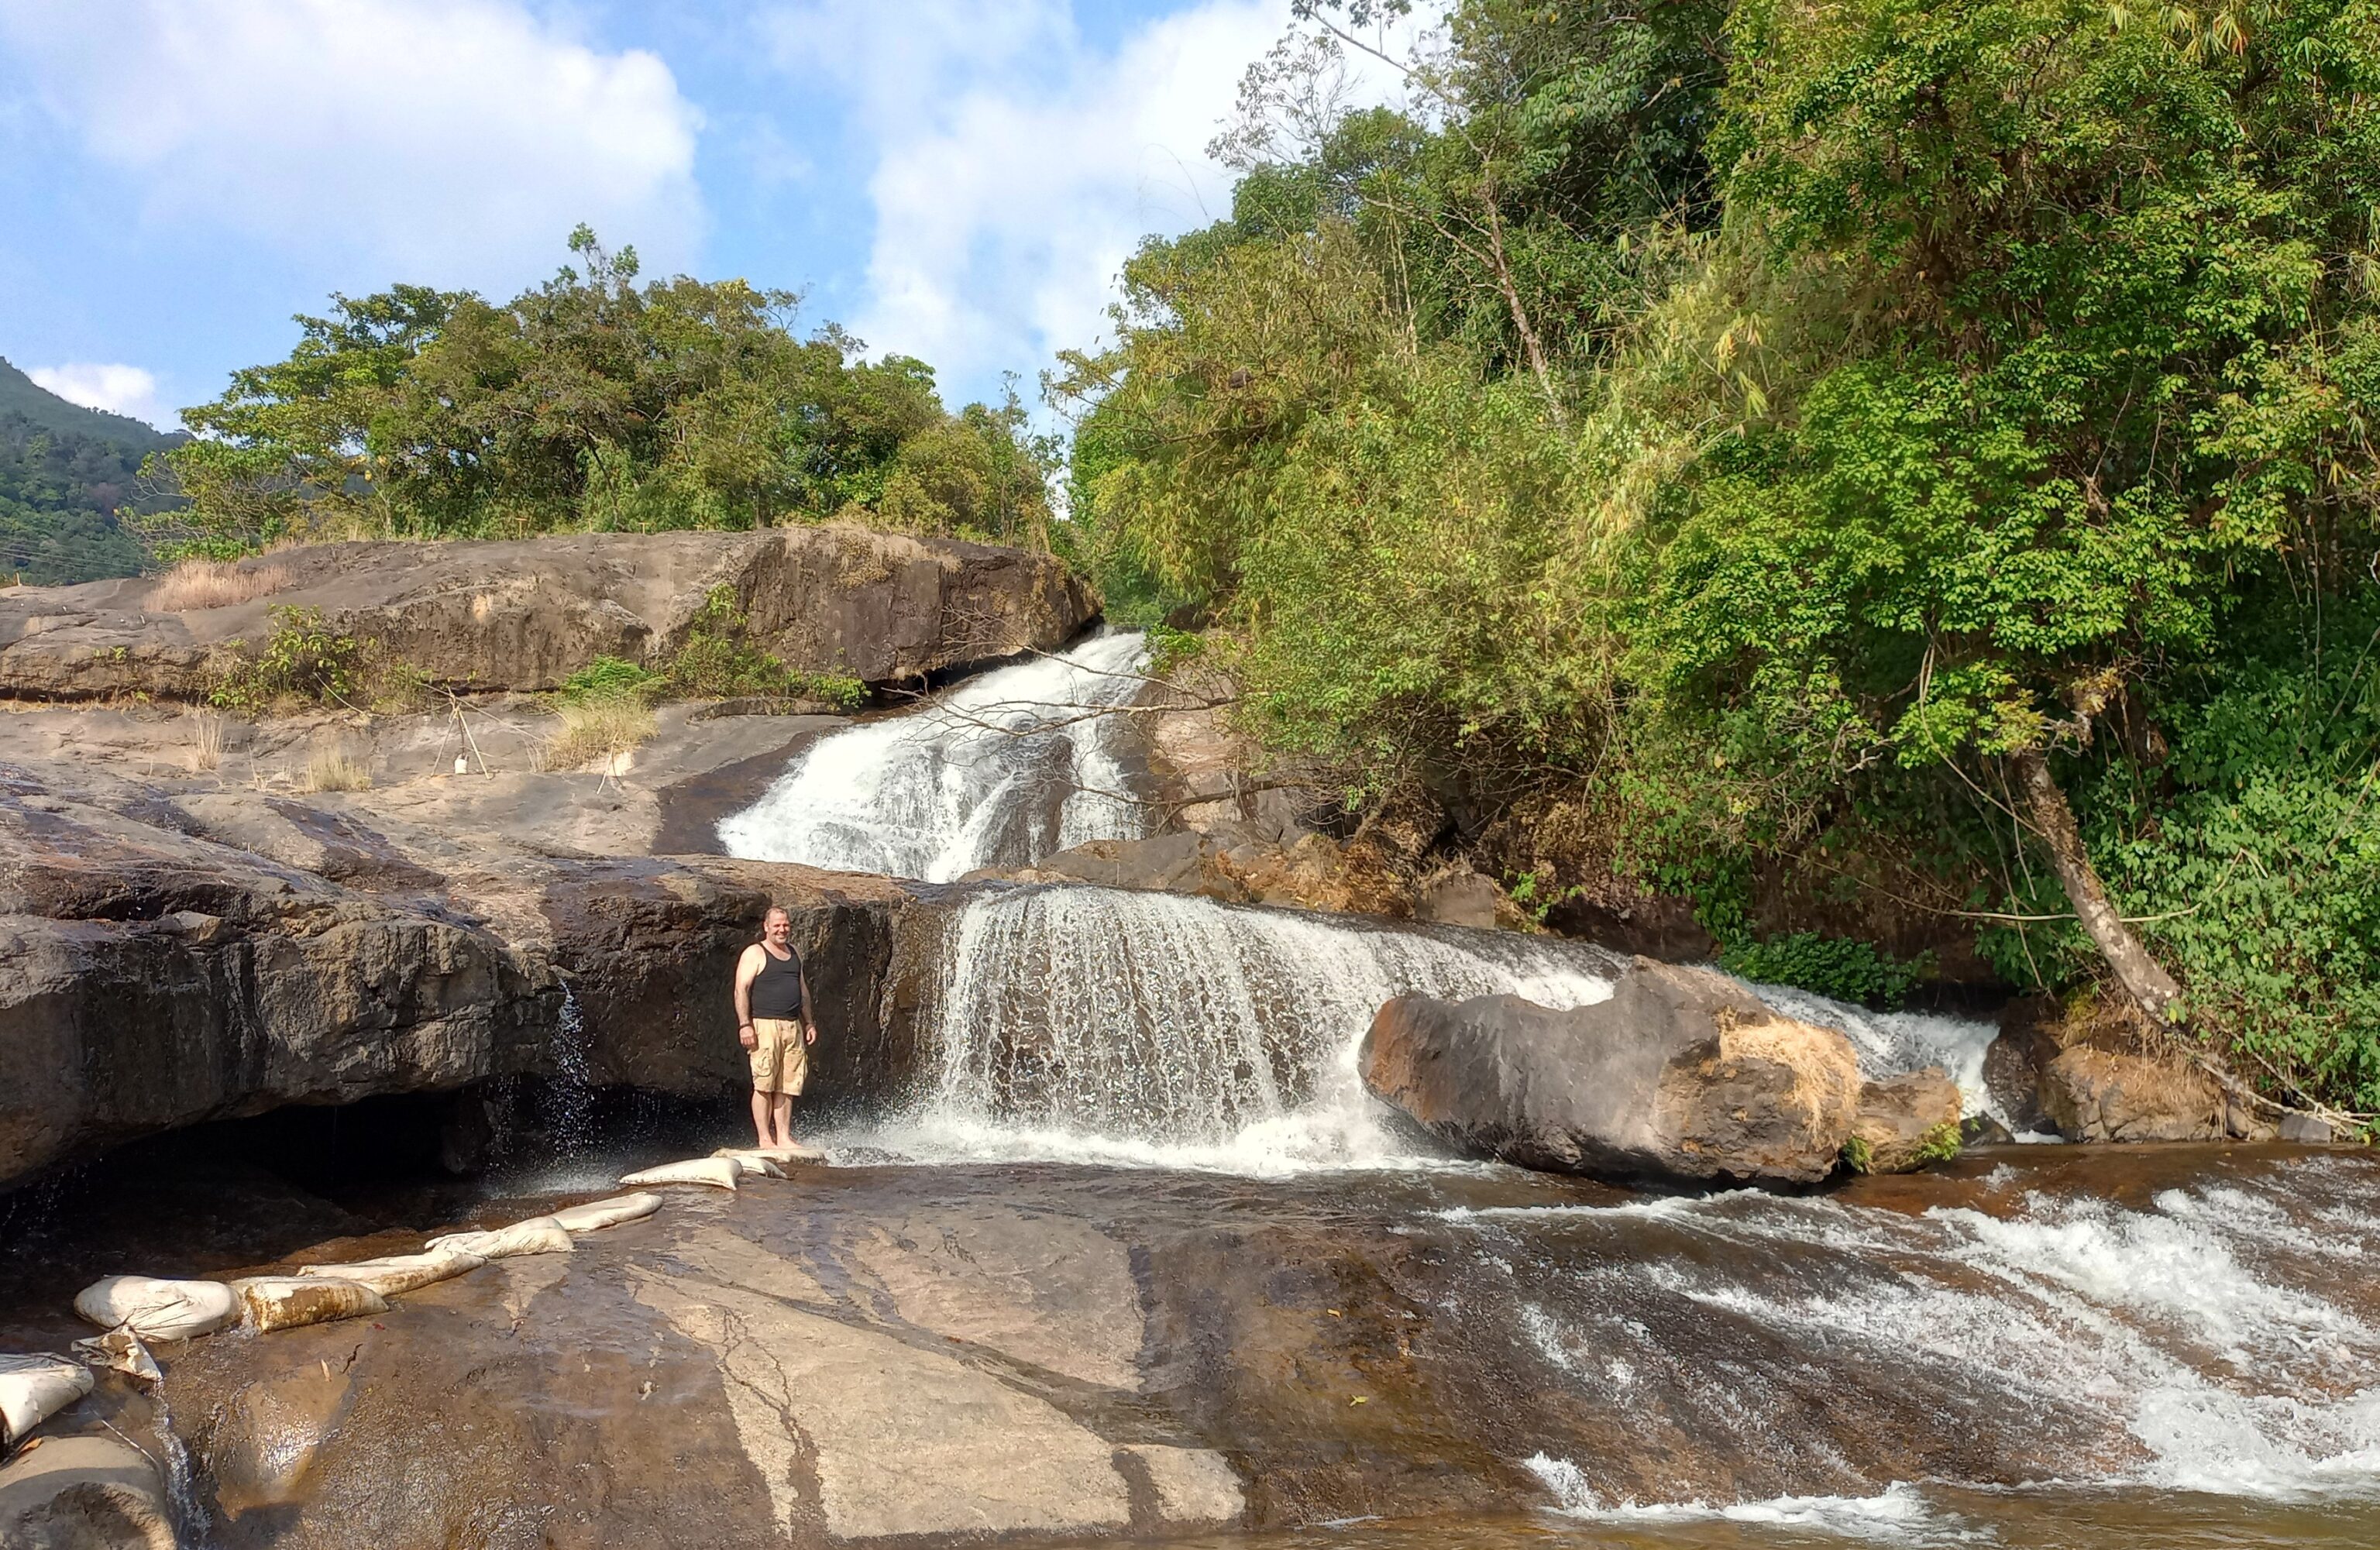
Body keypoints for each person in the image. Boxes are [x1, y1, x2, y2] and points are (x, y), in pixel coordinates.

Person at [732, 906, 817, 1149]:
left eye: (786, 925)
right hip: (764, 1026)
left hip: (792, 1027)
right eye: (777, 925)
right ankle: (765, 1139)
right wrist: (745, 1025)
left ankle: (784, 1137)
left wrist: (809, 1022)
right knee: (764, 1084)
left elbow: (803, 991)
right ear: (766, 927)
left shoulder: (794, 953)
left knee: (787, 1085)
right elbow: (741, 990)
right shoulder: (755, 953)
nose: (782, 929)